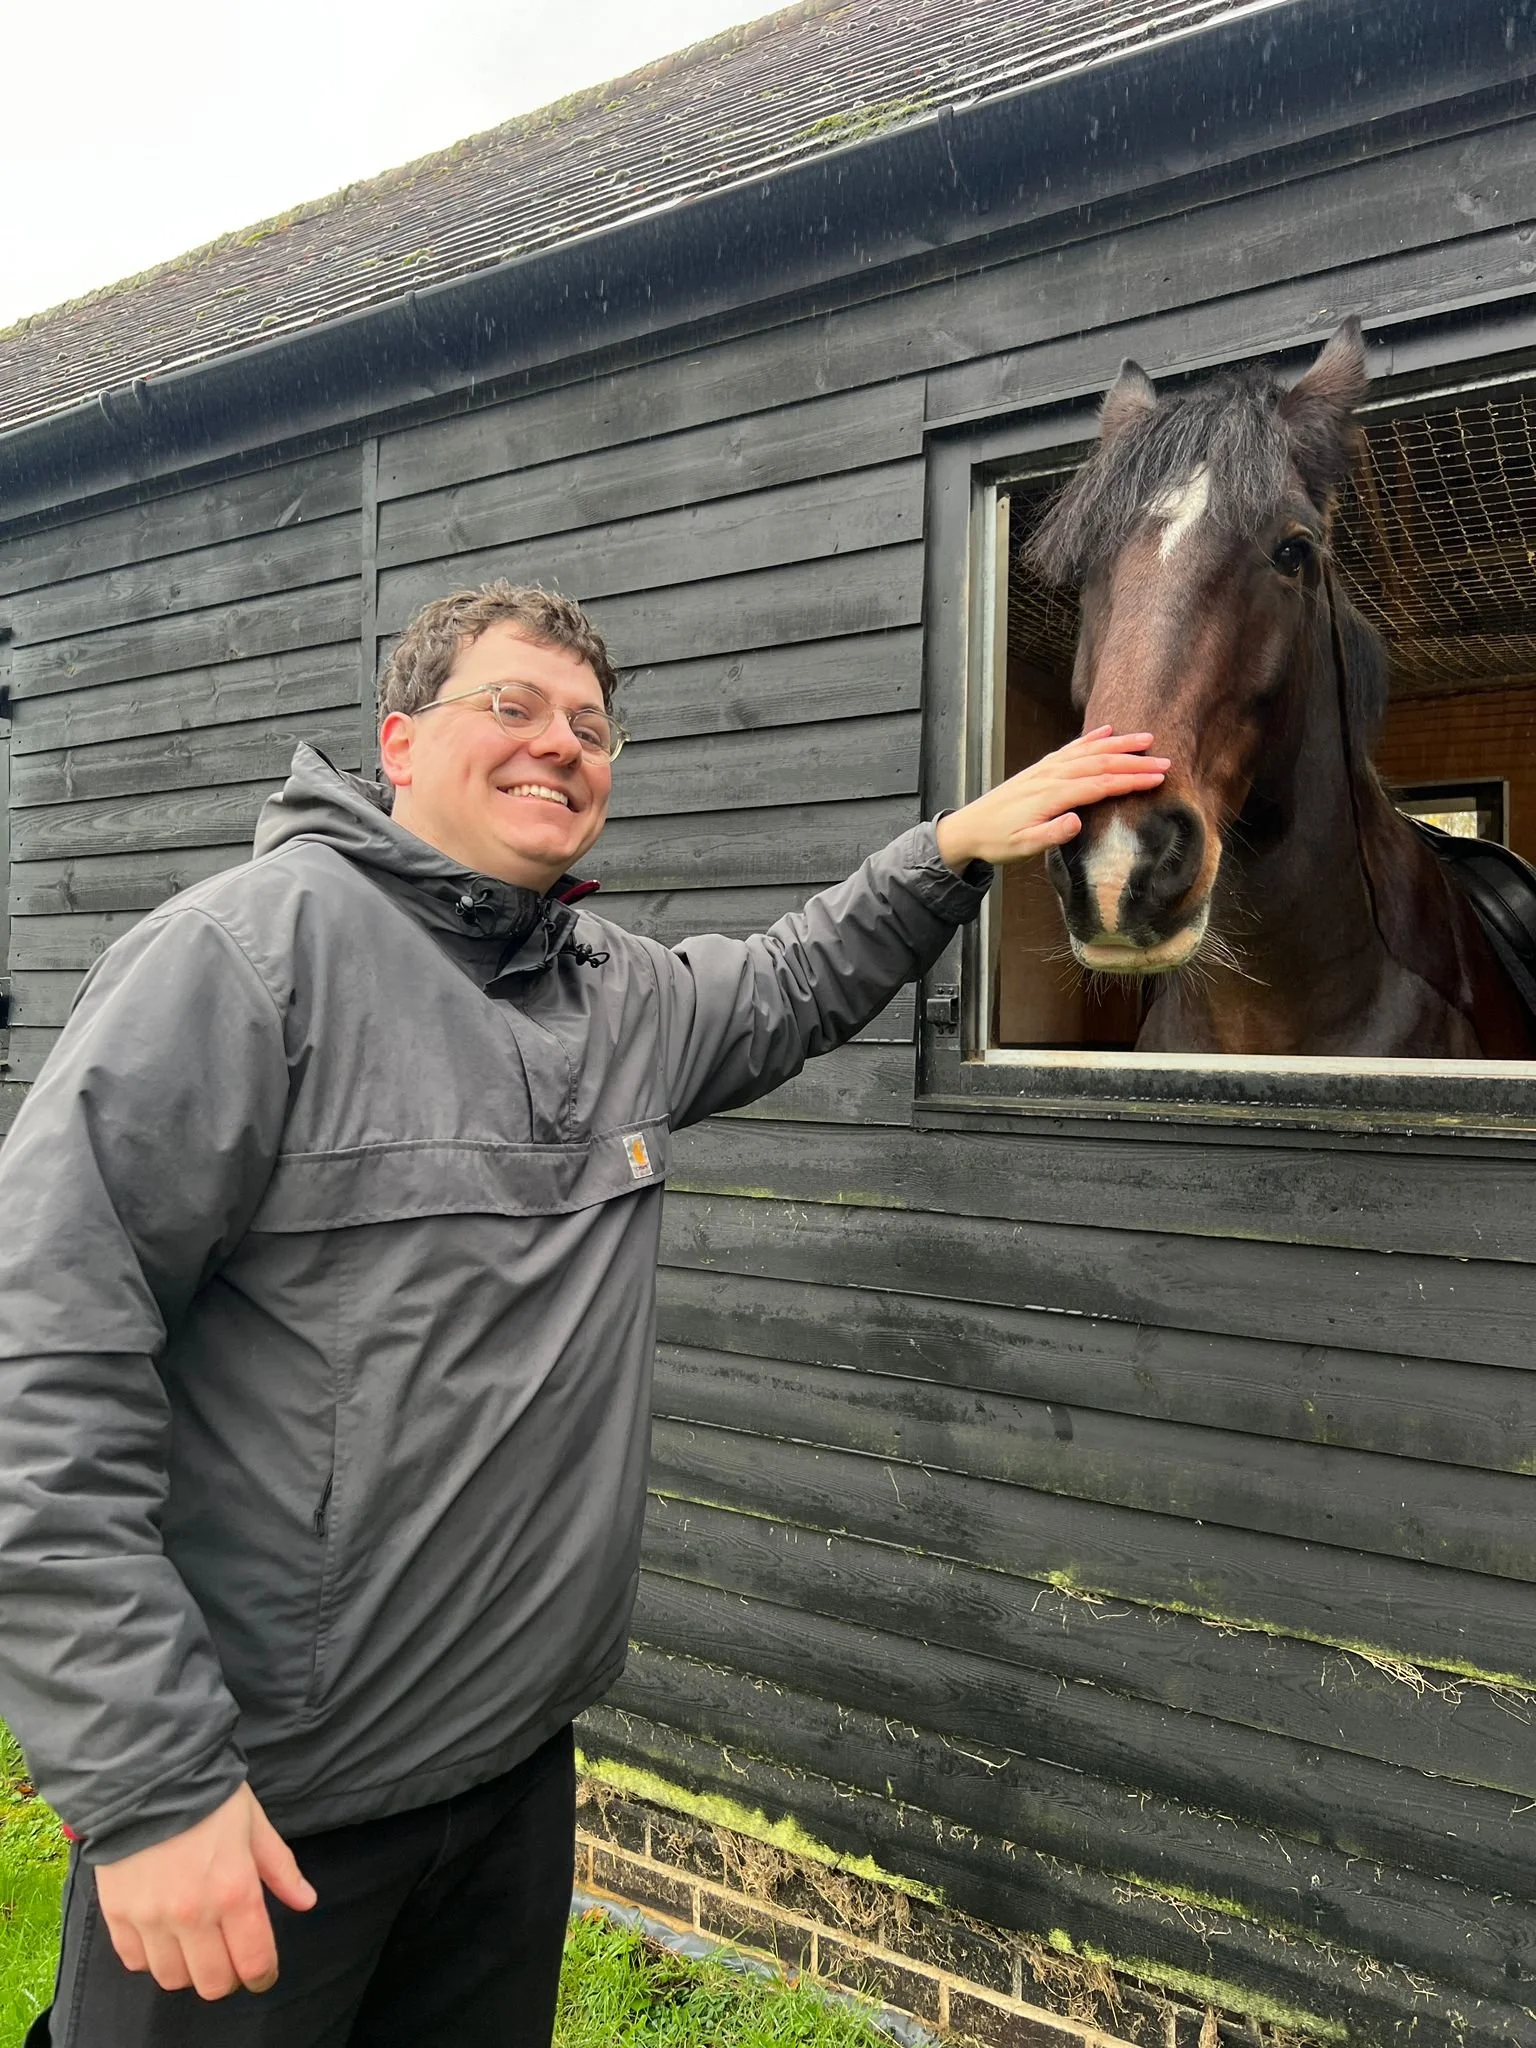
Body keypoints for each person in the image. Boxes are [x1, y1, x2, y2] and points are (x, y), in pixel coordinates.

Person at [0, 582, 1167, 2048]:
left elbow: (798, 980)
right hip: (261, 1816)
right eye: (515, 706)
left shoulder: (615, 996)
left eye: (593, 727)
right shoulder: (237, 966)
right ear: (398, 742)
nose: (561, 744)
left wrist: (951, 854)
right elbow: (37, 1367)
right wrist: (153, 1788)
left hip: (508, 1783)